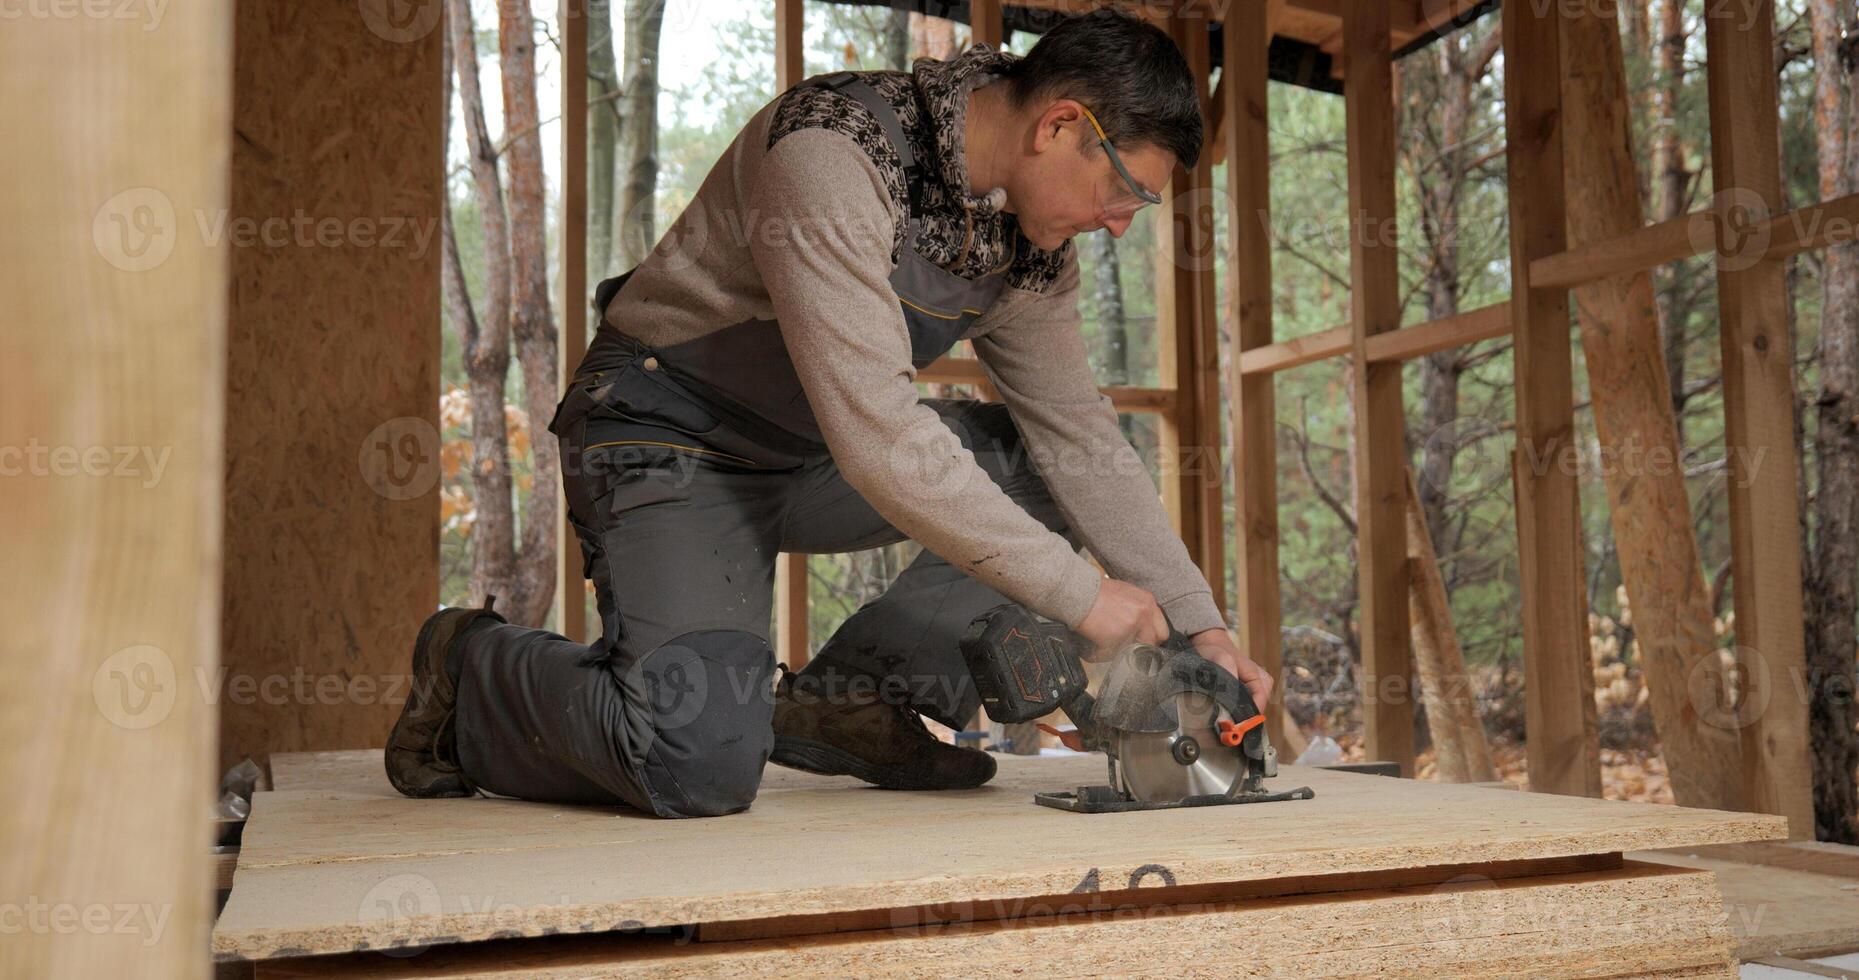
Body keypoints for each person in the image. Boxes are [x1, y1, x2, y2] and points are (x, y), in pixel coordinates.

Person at [386, 10, 1275, 818]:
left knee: (1039, 460)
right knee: (690, 763)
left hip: (815, 452)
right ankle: (470, 669)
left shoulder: (1032, 250)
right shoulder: (831, 149)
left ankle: (855, 698)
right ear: (1059, 127)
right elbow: (881, 439)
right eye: (1126, 194)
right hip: (669, 436)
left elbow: (1079, 440)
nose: (1120, 223)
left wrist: (1201, 625)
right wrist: (1081, 596)